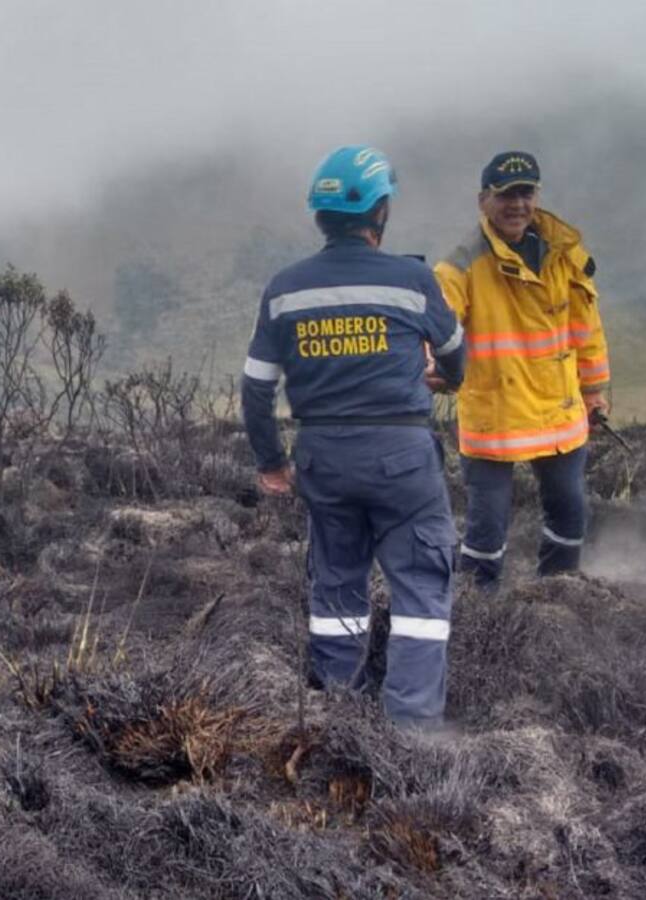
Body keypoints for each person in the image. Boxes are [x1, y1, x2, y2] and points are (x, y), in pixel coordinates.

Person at [241, 145, 466, 729]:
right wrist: (444, 378)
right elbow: (453, 357)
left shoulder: (285, 288)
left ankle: (338, 718)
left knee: (337, 584)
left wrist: (270, 463)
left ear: (321, 216)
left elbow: (256, 388)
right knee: (420, 588)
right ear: (380, 212)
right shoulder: (413, 280)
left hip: (323, 461)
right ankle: (412, 735)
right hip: (402, 460)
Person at [433, 151, 610, 588]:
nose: (517, 204)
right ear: (483, 201)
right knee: (486, 530)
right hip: (497, 416)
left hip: (559, 412)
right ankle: (479, 615)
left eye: (525, 193)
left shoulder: (564, 254)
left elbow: (585, 328)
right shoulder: (458, 267)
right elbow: (436, 331)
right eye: (505, 194)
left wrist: (594, 391)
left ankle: (559, 595)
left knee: (571, 513)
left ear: (537, 196)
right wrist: (429, 368)